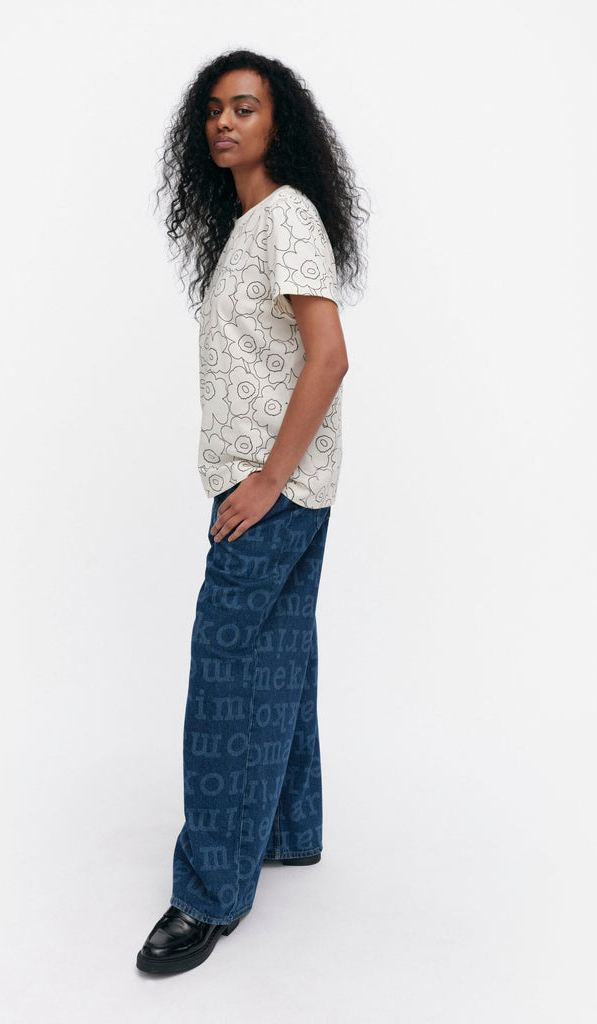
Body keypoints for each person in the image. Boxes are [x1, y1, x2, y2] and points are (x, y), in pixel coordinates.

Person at [136, 49, 368, 975]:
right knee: (279, 650)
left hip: (270, 489)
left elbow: (328, 356)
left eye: (244, 108)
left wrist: (268, 478)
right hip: (280, 485)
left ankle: (206, 893)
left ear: (280, 124)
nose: (224, 123)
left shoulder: (288, 217)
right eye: (213, 111)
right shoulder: (249, 225)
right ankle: (285, 831)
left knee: (226, 674)